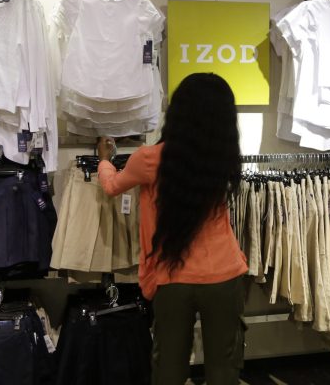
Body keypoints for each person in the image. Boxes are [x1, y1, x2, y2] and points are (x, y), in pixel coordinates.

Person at [97, 72, 248, 385]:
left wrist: (105, 160)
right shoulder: (224, 158)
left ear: (177, 111)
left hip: (173, 277)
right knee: (224, 370)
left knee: (169, 369)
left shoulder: (148, 159)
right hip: (225, 275)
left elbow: (112, 186)